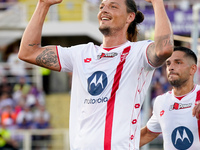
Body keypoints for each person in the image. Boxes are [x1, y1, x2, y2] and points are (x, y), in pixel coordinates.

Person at [18, 0, 173, 149]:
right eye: (101, 7)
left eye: (113, 6)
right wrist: (43, 4)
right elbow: (28, 52)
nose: (104, 10)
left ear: (130, 17)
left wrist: (157, 2)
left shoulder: (138, 52)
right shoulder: (81, 53)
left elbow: (164, 49)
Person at [140, 46, 200, 150]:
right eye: (168, 63)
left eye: (178, 62)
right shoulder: (161, 101)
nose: (171, 67)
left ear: (193, 69)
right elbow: (148, 134)